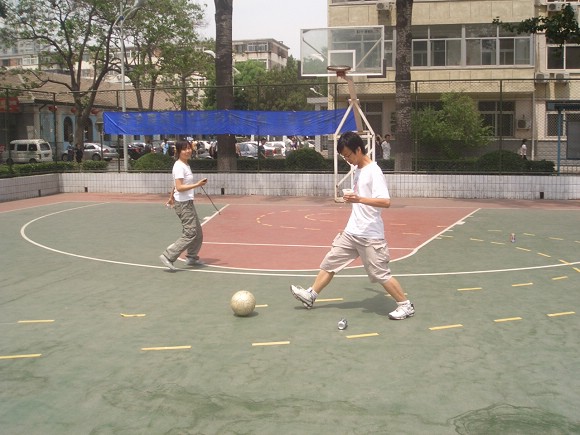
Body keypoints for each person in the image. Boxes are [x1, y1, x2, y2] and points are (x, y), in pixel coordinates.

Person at [290, 131, 415, 320]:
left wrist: (359, 199)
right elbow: (360, 200)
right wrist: (354, 202)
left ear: (358, 150)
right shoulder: (357, 170)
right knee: (330, 262)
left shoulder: (374, 171)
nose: (347, 160)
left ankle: (405, 305)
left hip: (370, 235)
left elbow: (385, 202)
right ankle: (311, 295)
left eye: (348, 155)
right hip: (352, 231)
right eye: (344, 157)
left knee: (380, 274)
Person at [159, 141, 208, 271]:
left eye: (189, 148)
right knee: (190, 233)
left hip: (187, 202)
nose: (188, 151)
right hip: (183, 204)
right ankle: (168, 256)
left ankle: (192, 257)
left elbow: (175, 185)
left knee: (198, 232)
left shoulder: (185, 164)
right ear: (178, 151)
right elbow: (180, 187)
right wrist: (197, 185)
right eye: (184, 149)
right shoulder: (179, 166)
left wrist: (171, 198)